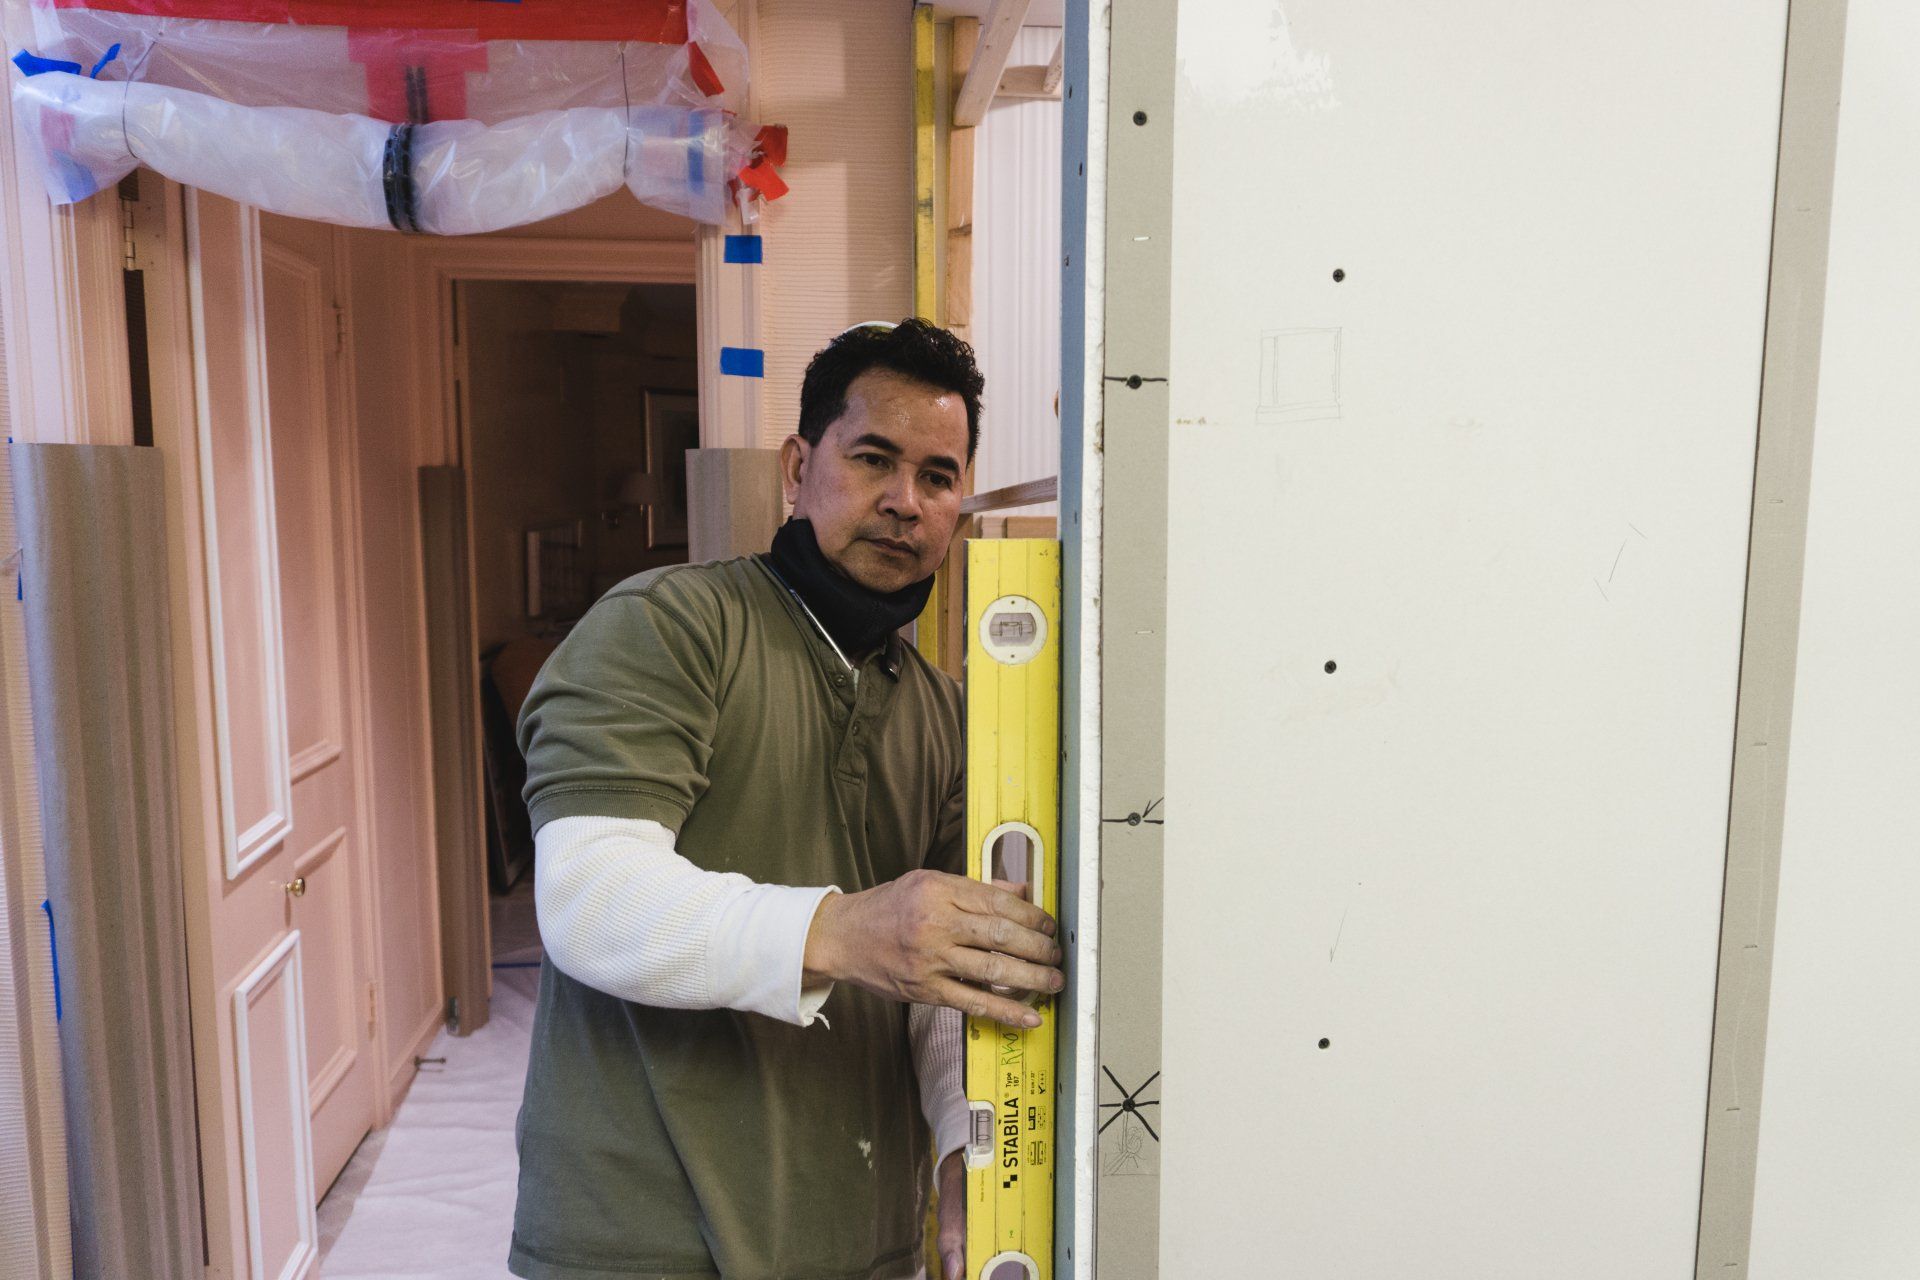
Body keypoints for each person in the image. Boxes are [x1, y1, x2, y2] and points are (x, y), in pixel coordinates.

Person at [507, 318, 1064, 1280]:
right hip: (643, 1243)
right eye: (873, 459)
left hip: (861, 1240)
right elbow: (588, 900)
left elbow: (944, 979)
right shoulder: (668, 629)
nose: (904, 502)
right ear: (798, 466)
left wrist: (960, 1154)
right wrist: (848, 931)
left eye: (938, 477)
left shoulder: (945, 715)